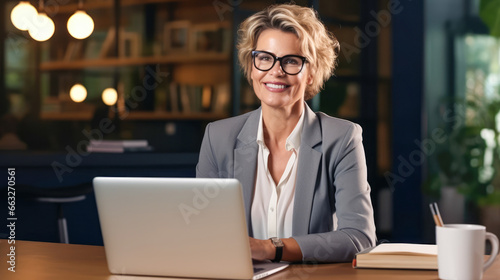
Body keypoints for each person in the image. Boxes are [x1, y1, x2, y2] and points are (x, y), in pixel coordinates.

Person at [196, 3, 376, 263]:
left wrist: (272, 248)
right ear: (252, 66)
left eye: (291, 61)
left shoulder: (342, 138)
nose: (275, 71)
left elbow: (358, 237)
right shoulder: (218, 137)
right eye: (265, 58)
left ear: (311, 73)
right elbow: (203, 231)